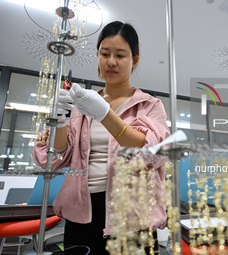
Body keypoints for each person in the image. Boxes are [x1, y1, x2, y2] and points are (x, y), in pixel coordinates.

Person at [32, 21, 170, 254]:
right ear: (97, 55)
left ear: (134, 60)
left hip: (131, 211)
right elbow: (55, 158)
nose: (111, 62)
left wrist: (105, 114)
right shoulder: (81, 106)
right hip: (82, 212)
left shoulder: (149, 105)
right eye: (105, 54)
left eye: (120, 55)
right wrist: (61, 122)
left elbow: (154, 152)